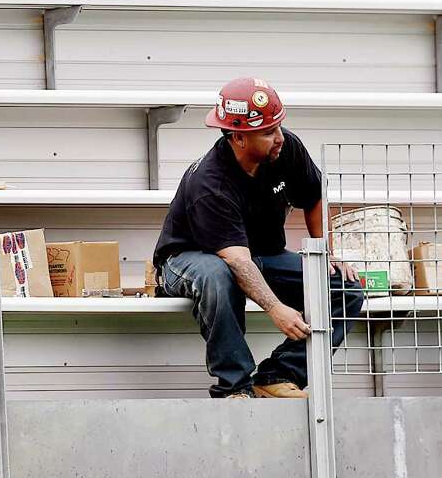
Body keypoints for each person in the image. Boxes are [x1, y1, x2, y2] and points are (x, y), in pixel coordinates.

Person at [153, 77, 364, 399]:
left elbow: (314, 195)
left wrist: (326, 252)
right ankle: (234, 389)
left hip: (261, 254)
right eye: (267, 133)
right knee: (216, 276)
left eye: (278, 126)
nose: (279, 138)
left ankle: (277, 375)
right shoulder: (210, 184)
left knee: (343, 288)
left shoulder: (286, 148)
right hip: (191, 258)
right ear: (237, 137)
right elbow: (236, 261)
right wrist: (276, 308)